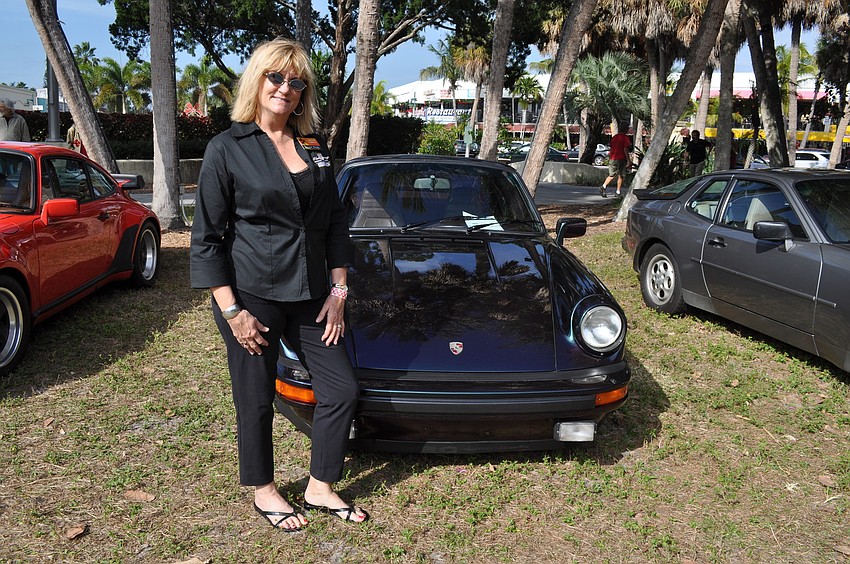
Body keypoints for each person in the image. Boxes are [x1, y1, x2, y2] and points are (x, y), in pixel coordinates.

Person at [190, 38, 368, 532]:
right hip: (253, 297)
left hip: (312, 295)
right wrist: (232, 311)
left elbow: (334, 222)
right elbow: (207, 239)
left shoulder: (313, 146)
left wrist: (338, 293)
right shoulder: (227, 148)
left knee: (341, 389)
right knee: (256, 397)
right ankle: (264, 490)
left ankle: (319, 485)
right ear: (257, 80)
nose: (285, 88)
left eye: (296, 82)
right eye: (276, 77)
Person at [600, 125, 632, 197]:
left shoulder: (614, 137)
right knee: (621, 175)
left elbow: (611, 147)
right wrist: (628, 160)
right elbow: (625, 149)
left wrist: (609, 157)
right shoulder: (625, 138)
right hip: (621, 158)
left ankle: (604, 186)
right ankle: (618, 192)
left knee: (612, 175)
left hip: (613, 158)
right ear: (626, 130)